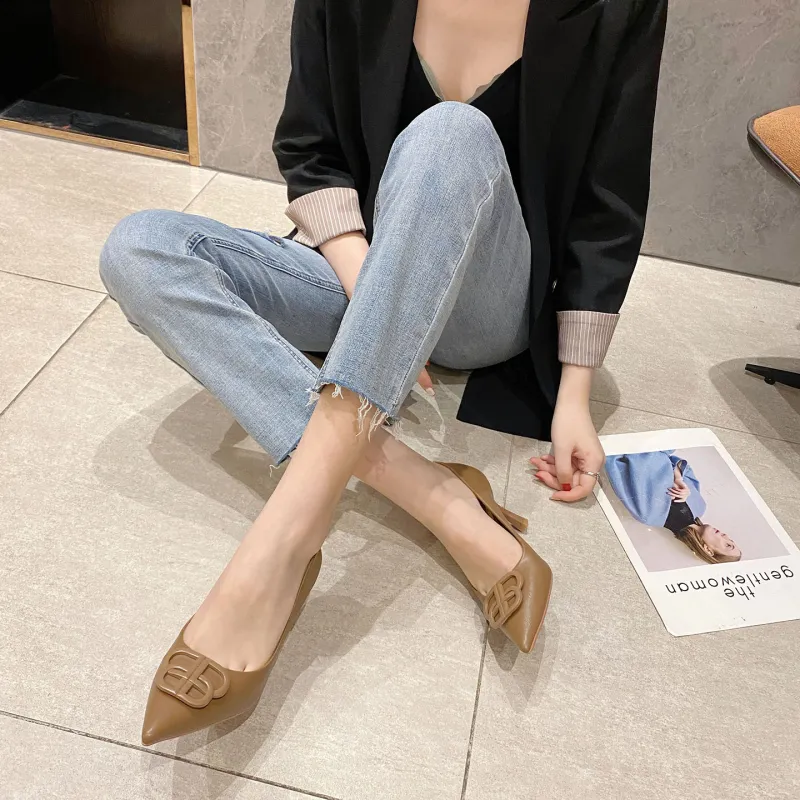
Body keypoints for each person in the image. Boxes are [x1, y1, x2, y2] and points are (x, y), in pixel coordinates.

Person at [98, 0, 667, 744]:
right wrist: (380, 296)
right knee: (140, 249)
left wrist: (574, 393)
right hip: (366, 267)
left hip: (489, 306)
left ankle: (283, 542)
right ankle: (435, 494)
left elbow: (608, 205)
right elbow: (310, 144)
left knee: (452, 131)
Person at [603, 451, 742, 564]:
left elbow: (619, 468)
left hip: (629, 446)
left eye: (727, 545)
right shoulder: (700, 506)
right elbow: (677, 462)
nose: (726, 536)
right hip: (658, 443)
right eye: (731, 540)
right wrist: (678, 478)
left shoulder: (648, 515)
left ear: (708, 550)